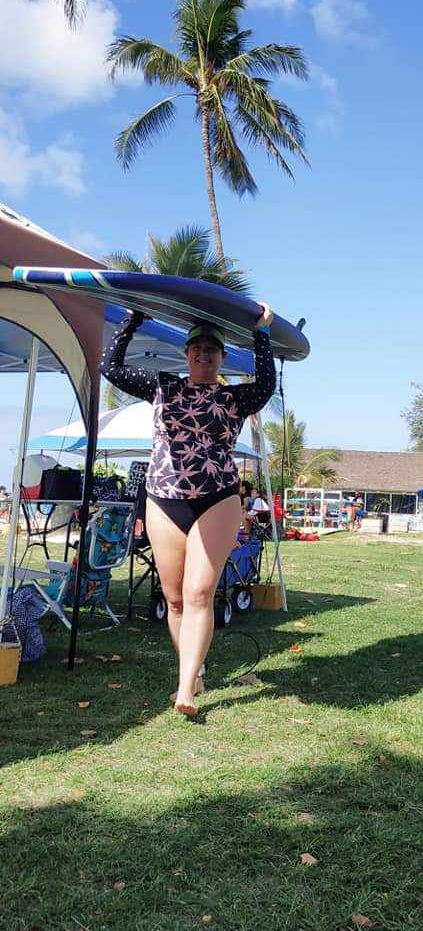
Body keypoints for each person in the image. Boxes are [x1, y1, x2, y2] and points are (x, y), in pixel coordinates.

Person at [101, 306, 276, 716]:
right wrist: (134, 317)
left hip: (216, 498)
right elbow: (111, 366)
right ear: (186, 354)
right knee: (175, 598)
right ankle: (193, 671)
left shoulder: (234, 397)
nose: (204, 354)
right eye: (196, 347)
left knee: (200, 593)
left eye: (212, 349)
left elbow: (266, 383)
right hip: (164, 498)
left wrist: (262, 333)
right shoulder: (164, 388)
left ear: (222, 358)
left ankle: (185, 691)